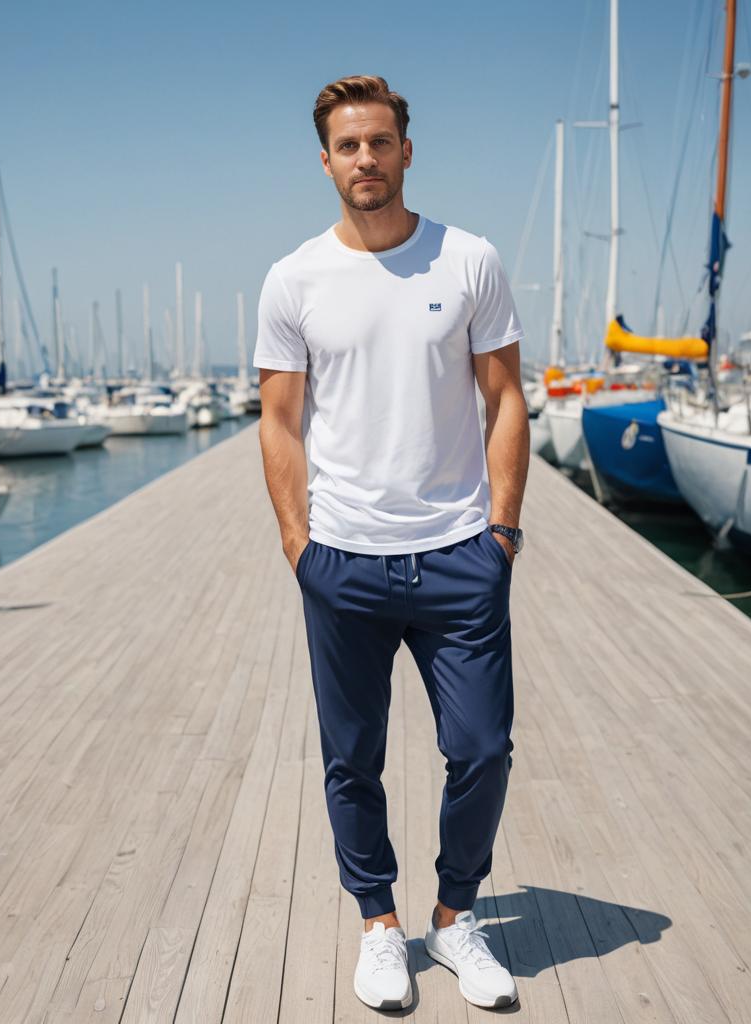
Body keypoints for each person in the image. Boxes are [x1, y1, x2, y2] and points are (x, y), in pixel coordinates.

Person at [254, 74, 529, 1012]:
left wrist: (501, 530)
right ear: (325, 159)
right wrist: (300, 545)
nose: (365, 159)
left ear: (407, 151)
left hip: (460, 553)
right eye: (348, 146)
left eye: (379, 143)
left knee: (482, 746)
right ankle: (380, 923)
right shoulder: (293, 278)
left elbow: (505, 400)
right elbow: (280, 422)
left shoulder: (469, 261)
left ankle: (455, 918)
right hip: (344, 560)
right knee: (352, 757)